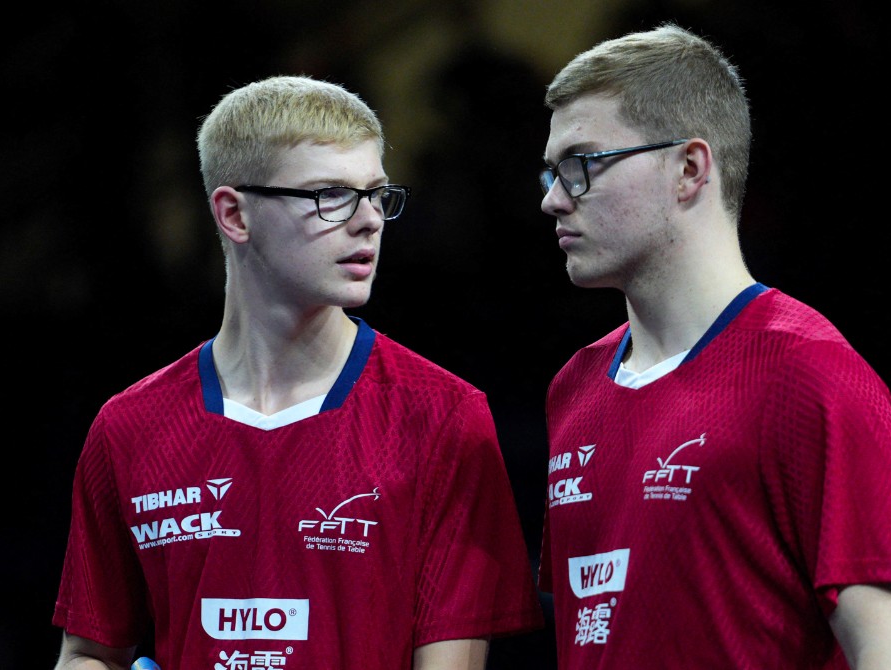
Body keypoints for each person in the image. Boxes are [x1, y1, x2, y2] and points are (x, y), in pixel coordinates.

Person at [51, 75, 544, 670]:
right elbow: (87, 655)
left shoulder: (443, 416)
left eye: (377, 194)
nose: (369, 221)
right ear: (234, 214)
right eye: (329, 195)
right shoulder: (129, 426)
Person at [535, 23, 891, 669]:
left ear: (689, 169)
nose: (552, 199)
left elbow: (890, 651)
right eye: (549, 172)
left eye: (581, 166)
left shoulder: (812, 375)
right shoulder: (571, 389)